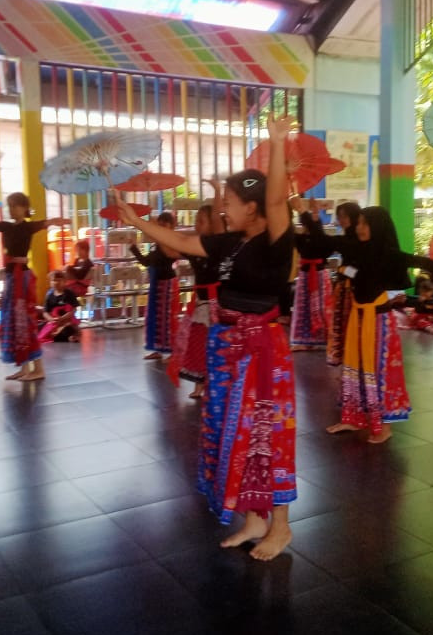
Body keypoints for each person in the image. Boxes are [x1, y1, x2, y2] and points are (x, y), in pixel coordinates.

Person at [112, 113, 297, 561]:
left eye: (230, 201)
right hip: (229, 348)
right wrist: (132, 219)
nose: (222, 208)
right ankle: (253, 518)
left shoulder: (275, 240)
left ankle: (281, 526)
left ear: (251, 207)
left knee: (265, 436)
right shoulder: (227, 243)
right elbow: (178, 240)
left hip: (262, 350)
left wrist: (275, 145)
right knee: (236, 435)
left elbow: (275, 202)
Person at [318, 207, 433, 444]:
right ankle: (353, 417)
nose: (358, 228)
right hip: (358, 316)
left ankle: (384, 426)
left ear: (376, 227)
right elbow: (355, 272)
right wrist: (341, 268)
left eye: (364, 224)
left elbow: (417, 260)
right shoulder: (358, 249)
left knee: (379, 371)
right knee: (354, 366)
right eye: (358, 223)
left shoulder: (387, 253)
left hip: (378, 320)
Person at [0, 191, 51, 381]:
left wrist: (56, 221)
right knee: (14, 322)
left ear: (24, 208)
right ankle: (24, 367)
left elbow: (46, 222)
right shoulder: (7, 227)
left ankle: (38, 369)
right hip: (13, 277)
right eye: (9, 206)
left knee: (25, 321)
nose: (11, 209)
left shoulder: (28, 228)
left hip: (22, 278)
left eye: (15, 205)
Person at [167, 203, 222, 398]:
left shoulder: (219, 247)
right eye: (197, 220)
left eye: (201, 220)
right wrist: (165, 233)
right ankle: (200, 384)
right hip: (201, 302)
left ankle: (211, 384)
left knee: (215, 345)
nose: (197, 224)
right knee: (199, 343)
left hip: (216, 304)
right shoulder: (196, 245)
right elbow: (172, 252)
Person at [130, 212, 181, 361]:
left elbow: (172, 256)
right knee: (155, 318)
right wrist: (134, 248)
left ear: (171, 226)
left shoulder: (172, 242)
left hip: (167, 284)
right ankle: (158, 349)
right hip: (157, 284)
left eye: (165, 224)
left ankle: (173, 351)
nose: (161, 226)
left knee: (167, 318)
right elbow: (146, 262)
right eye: (160, 224)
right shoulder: (157, 245)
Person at [289, 201, 333, 351]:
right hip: (305, 276)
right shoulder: (300, 238)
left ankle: (325, 339)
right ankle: (304, 340)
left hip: (319, 276)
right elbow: (287, 231)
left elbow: (316, 232)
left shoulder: (322, 239)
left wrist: (304, 211)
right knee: (304, 309)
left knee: (321, 308)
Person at [326, 202, 361, 366]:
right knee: (342, 324)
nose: (341, 220)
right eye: (339, 217)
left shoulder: (358, 240)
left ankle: (352, 360)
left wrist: (342, 269)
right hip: (344, 287)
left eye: (344, 216)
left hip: (357, 290)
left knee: (352, 326)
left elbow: (360, 272)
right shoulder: (346, 238)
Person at [39, 270, 81, 343]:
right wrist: (51, 319)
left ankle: (66, 335)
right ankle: (60, 335)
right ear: (50, 282)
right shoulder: (49, 295)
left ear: (64, 281)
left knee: (68, 329)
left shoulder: (69, 293)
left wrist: (62, 318)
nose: (56, 283)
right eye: (54, 280)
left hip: (67, 320)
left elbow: (74, 310)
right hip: (54, 321)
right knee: (39, 327)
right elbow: (45, 312)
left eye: (59, 280)